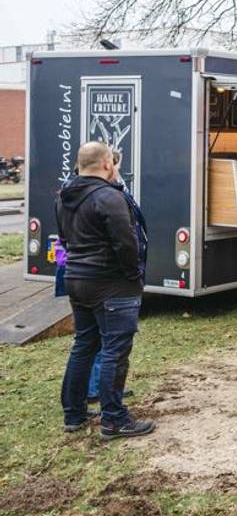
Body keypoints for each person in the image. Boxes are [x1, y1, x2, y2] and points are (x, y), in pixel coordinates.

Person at [57, 142, 152, 439]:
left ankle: (73, 413)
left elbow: (64, 238)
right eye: (112, 161)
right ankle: (113, 419)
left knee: (84, 345)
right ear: (107, 163)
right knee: (115, 350)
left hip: (77, 277)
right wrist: (134, 275)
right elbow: (126, 242)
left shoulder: (64, 196)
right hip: (111, 283)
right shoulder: (110, 197)